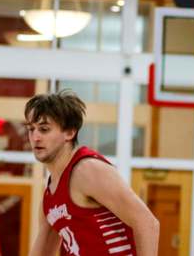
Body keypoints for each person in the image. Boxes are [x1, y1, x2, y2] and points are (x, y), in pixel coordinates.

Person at [25, 90, 159, 256]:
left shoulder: (87, 170)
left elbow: (147, 224)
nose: (35, 137)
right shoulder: (49, 197)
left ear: (70, 132)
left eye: (44, 129)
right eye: (31, 129)